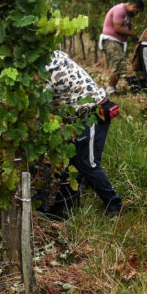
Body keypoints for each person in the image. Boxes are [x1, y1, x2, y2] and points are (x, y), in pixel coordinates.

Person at [44, 49, 123, 217]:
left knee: (88, 162)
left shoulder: (43, 69)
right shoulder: (52, 54)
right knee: (73, 159)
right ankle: (74, 198)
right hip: (77, 115)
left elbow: (42, 111)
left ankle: (114, 205)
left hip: (92, 113)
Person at [99, 0, 144, 94]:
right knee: (118, 63)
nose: (136, 14)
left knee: (120, 65)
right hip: (111, 40)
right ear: (134, 6)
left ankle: (112, 89)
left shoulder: (128, 14)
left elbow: (129, 26)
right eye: (137, 11)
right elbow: (117, 28)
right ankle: (110, 90)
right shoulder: (120, 10)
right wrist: (132, 34)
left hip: (118, 42)